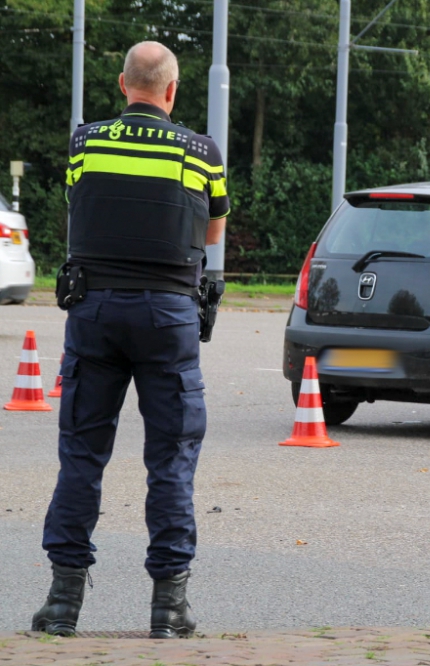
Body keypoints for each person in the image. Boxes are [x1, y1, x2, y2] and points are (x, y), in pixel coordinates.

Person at [31, 41, 229, 638]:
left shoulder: (85, 142)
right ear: (172, 90)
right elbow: (212, 227)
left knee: (81, 457)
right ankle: (168, 610)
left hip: (94, 310)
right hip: (169, 316)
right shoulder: (202, 152)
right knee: (170, 460)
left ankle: (63, 606)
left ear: (123, 85)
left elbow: (78, 207)